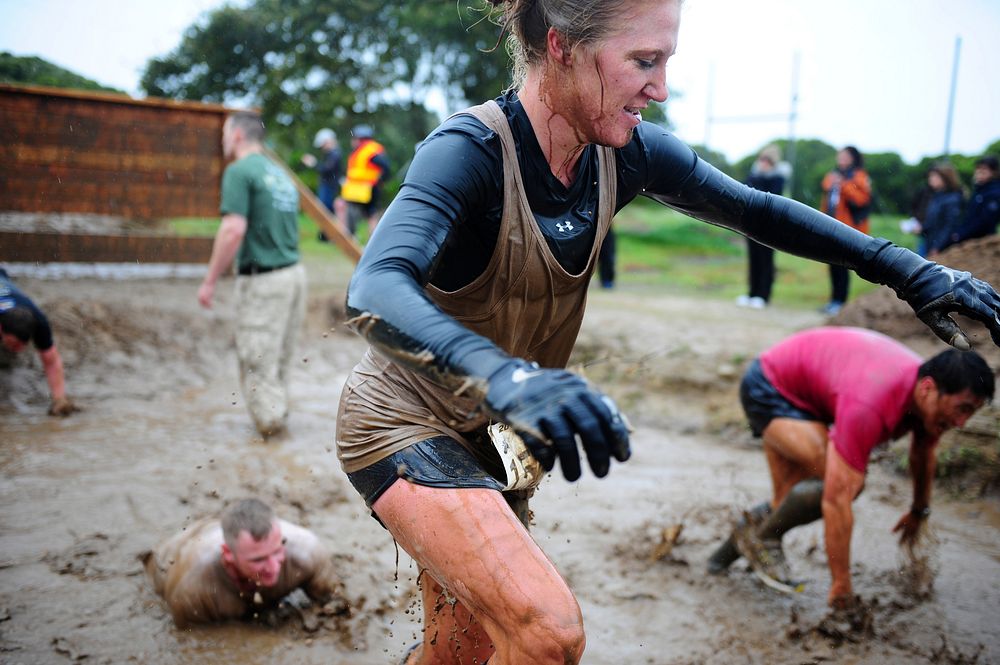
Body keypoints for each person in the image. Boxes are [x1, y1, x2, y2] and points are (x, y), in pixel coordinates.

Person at [335, 2, 1000, 663]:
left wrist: (900, 265)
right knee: (546, 632)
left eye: (666, 62)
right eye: (643, 62)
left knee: (465, 644)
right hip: (406, 420)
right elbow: (375, 287)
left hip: (498, 435)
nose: (660, 87)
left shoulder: (624, 156)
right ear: (563, 46)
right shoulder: (471, 151)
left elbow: (754, 209)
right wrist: (508, 374)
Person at [707, 327, 993, 609]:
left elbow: (922, 452)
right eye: (962, 409)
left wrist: (919, 510)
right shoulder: (871, 404)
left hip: (809, 384)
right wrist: (841, 587)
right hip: (771, 385)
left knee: (786, 502)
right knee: (840, 485)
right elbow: (836, 501)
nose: (962, 423)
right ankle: (765, 539)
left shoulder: (928, 401)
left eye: (971, 412)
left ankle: (717, 563)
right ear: (929, 388)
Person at [197, 111, 307, 437]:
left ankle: (272, 441)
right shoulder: (280, 174)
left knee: (257, 359)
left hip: (264, 280)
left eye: (224, 133)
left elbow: (232, 229)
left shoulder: (240, 171)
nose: (222, 141)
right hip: (294, 275)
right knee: (280, 358)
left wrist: (210, 280)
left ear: (237, 135)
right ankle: (278, 420)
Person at [143, 498, 341, 627]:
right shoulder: (192, 591)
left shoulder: (307, 552)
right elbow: (195, 645)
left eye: (277, 551)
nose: (274, 567)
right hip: (177, 551)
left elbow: (335, 604)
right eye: (259, 560)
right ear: (228, 555)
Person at [0, 267, 77, 416]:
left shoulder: (39, 320)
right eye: (13, 344)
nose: (18, 349)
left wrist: (59, 399)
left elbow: (51, 361)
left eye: (22, 344)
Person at [819, 146, 872, 316]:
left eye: (845, 156)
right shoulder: (833, 175)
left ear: (853, 158)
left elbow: (861, 199)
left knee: (843, 265)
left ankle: (841, 303)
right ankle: (833, 301)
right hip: (831, 227)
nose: (841, 158)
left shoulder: (859, 176)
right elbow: (826, 193)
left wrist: (843, 184)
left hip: (849, 229)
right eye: (839, 155)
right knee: (833, 264)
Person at [736, 145, 788, 309]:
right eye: (762, 160)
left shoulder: (777, 179)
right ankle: (752, 293)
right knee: (754, 260)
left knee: (766, 261)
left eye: (767, 161)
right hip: (751, 224)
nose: (763, 164)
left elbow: (770, 197)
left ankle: (763, 296)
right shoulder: (753, 175)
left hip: (769, 226)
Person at [335, 124, 391, 238]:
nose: (352, 141)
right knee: (371, 215)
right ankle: (365, 240)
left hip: (367, 189)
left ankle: (349, 236)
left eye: (354, 138)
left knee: (367, 214)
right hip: (360, 189)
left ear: (359, 138)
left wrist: (380, 181)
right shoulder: (362, 150)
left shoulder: (369, 150)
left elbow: (386, 167)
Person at [943, 155, 1000, 251]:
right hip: (969, 239)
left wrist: (960, 234)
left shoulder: (995, 193)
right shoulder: (979, 191)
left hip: (982, 243)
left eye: (984, 169)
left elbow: (984, 221)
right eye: (978, 168)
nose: (979, 172)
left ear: (993, 172)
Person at [916, 162, 964, 258]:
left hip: (940, 248)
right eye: (930, 176)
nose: (931, 179)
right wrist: (922, 228)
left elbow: (949, 226)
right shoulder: (937, 195)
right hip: (928, 242)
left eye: (935, 176)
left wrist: (937, 247)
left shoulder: (953, 198)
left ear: (946, 178)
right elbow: (933, 221)